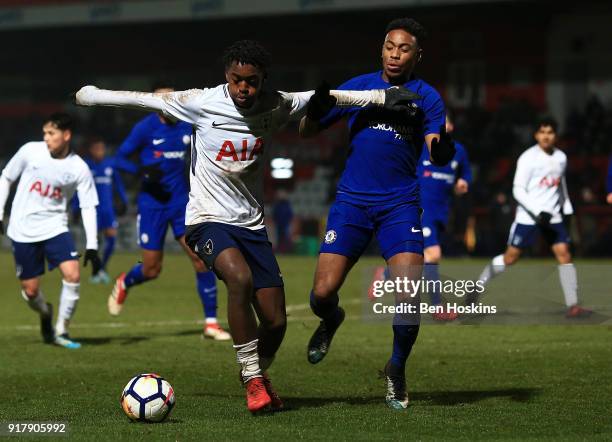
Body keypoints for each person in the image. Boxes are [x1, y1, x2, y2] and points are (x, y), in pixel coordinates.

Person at [75, 39, 417, 413]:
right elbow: (144, 99)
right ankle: (252, 378)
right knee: (238, 279)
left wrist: (383, 100)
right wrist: (91, 96)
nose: (243, 88)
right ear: (227, 76)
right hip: (206, 220)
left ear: (263, 79)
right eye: (237, 80)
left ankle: (257, 374)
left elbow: (332, 96)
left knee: (276, 322)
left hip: (251, 226)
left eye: (251, 81)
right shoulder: (202, 103)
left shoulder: (277, 104)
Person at [299, 18, 455, 409]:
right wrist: (315, 113)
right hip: (351, 201)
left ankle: (397, 369)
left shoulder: (428, 97)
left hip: (399, 204)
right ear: (381, 49)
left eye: (404, 49)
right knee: (321, 294)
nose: (395, 54)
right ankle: (331, 319)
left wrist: (441, 150)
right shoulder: (357, 87)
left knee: (407, 295)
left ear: (417, 55)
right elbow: (306, 130)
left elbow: (436, 141)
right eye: (390, 46)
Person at [109, 81, 230, 341]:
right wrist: (141, 171)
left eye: (172, 98)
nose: (168, 104)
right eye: (162, 100)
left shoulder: (188, 124)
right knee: (152, 269)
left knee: (201, 260)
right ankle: (125, 282)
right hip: (152, 205)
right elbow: (118, 159)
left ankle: (211, 323)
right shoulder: (144, 128)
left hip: (181, 205)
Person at [0, 113, 102, 349]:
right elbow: (6, 178)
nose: (46, 138)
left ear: (66, 135)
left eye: (51, 133)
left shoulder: (79, 168)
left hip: (55, 227)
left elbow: (88, 206)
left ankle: (62, 330)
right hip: (22, 228)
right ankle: (45, 313)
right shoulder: (29, 151)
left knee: (73, 274)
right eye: (45, 133)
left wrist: (92, 245)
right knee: (31, 291)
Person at [476, 117, 591, 318]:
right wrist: (538, 211)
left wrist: (567, 208)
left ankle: (573, 305)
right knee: (510, 258)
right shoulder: (527, 158)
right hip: (529, 218)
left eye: (550, 132)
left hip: (553, 217)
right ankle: (476, 289)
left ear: (556, 135)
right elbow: (518, 190)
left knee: (564, 255)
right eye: (543, 132)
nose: (546, 136)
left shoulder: (561, 158)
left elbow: (560, 185)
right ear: (536, 135)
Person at [72, 137, 128, 283]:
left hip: (108, 209)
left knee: (111, 239)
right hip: (92, 210)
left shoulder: (110, 164)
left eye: (101, 149)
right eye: (96, 149)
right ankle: (95, 271)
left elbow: (119, 185)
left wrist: (124, 201)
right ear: (91, 150)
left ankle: (101, 268)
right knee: (93, 241)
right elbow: (79, 188)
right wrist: (75, 208)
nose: (99, 152)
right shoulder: (86, 166)